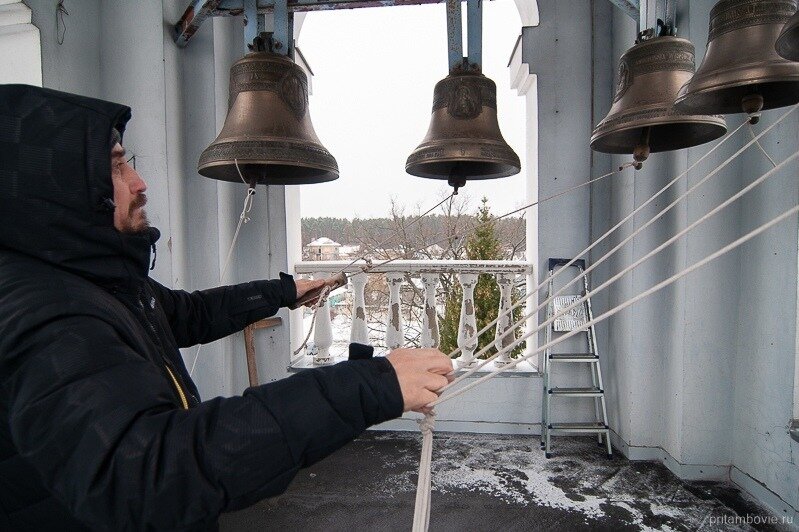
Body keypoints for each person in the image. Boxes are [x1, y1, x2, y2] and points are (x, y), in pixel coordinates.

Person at [0, 84, 453, 531]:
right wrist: (367, 387)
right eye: (117, 168)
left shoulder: (91, 280)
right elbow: (148, 474)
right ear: (58, 187)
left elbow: (186, 314)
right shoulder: (47, 314)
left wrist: (282, 292)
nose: (140, 183)